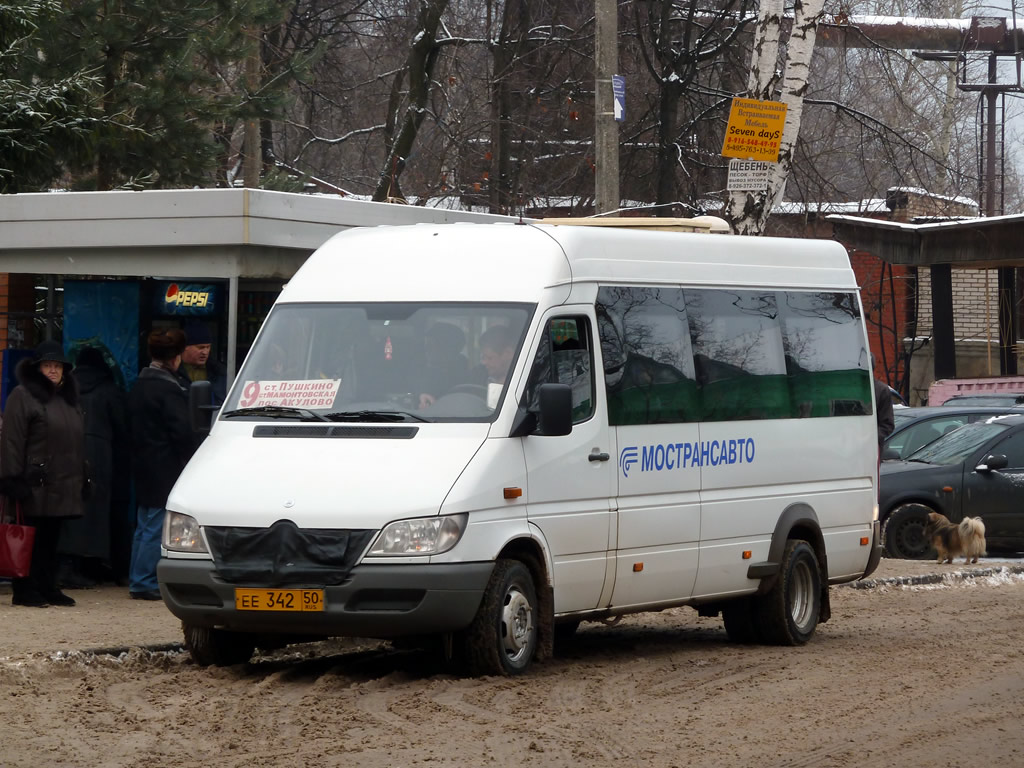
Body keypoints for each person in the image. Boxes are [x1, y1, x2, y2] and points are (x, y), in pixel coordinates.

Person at [0, 340, 86, 607]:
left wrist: (85, 475)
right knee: (29, 538)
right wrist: (12, 478)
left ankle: (48, 586)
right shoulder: (23, 396)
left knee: (52, 538)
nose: (52, 370)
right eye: (47, 365)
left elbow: (77, 442)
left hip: (62, 481)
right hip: (33, 481)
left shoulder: (68, 400)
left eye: (57, 366)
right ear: (37, 369)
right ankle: (24, 589)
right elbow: (12, 440)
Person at [127, 329, 199, 601]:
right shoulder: (169, 390)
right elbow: (183, 432)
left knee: (144, 523)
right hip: (164, 465)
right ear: (176, 358)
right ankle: (144, 581)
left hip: (143, 462)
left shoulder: (139, 385)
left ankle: (138, 576)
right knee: (156, 523)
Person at [57, 347, 129, 588]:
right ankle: (92, 563)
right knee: (98, 513)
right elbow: (122, 428)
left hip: (68, 452)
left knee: (72, 511)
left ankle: (70, 565)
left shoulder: (66, 389)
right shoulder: (110, 390)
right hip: (101, 456)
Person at [418, 322, 470, 409]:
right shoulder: (421, 371)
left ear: (448, 347)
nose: (426, 349)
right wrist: (420, 397)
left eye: (431, 345)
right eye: (427, 345)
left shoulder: (469, 374)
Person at [177, 322, 227, 405]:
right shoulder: (172, 372)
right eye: (201, 347)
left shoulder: (220, 372)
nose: (205, 352)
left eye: (208, 347)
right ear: (185, 347)